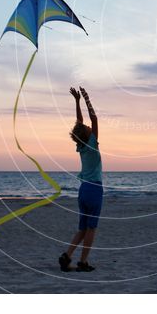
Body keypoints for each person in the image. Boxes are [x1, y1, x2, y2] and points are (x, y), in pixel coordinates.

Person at [59, 86, 102, 272]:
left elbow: (80, 122)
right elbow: (94, 118)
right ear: (88, 134)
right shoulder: (91, 144)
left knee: (82, 228)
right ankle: (83, 262)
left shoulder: (81, 145)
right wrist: (86, 98)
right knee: (91, 229)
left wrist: (76, 101)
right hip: (94, 190)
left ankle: (67, 255)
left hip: (83, 190)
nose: (89, 126)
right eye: (87, 128)